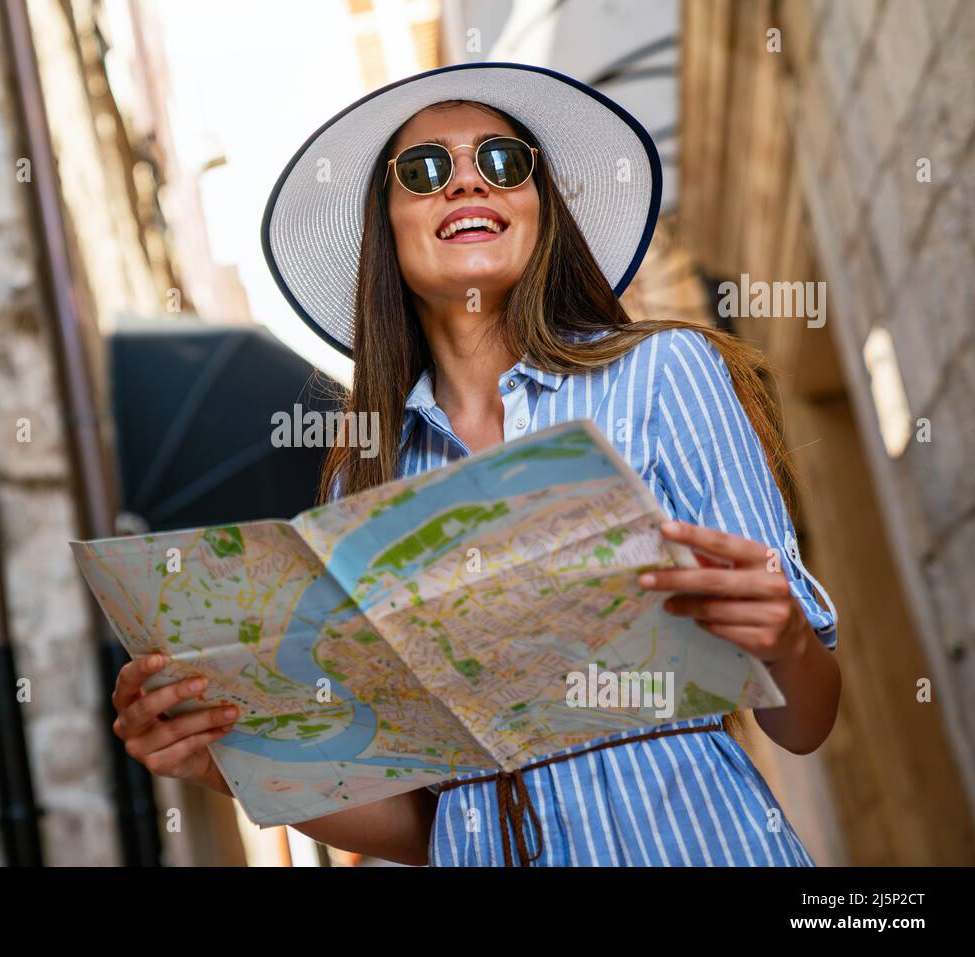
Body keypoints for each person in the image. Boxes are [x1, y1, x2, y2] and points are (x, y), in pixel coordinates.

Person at [110, 64, 840, 866]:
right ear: (385, 227)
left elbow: (804, 723)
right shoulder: (368, 479)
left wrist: (790, 642)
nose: (466, 182)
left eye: (502, 161)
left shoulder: (668, 372)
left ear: (537, 206)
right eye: (425, 171)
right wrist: (226, 761)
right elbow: (433, 826)